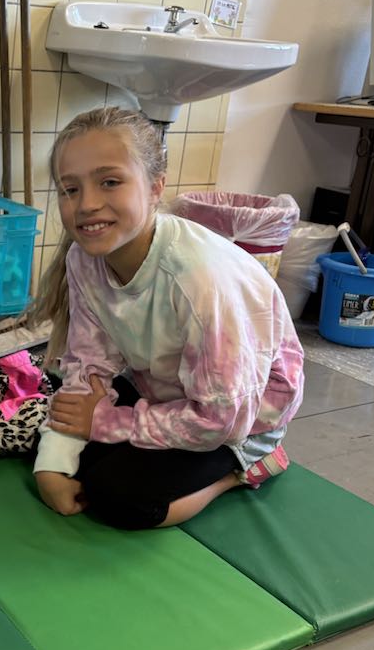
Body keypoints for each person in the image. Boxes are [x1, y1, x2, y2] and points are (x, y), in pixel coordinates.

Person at [27, 106, 304, 530]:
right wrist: (52, 465)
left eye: (110, 182)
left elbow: (219, 421)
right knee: (50, 442)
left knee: (117, 498)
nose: (87, 204)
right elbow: (87, 365)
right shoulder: (84, 259)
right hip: (167, 393)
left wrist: (106, 422)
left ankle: (244, 469)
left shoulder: (198, 279)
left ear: (156, 186)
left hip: (238, 421)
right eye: (70, 189)